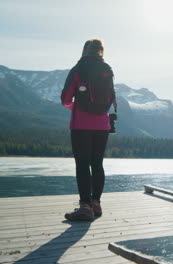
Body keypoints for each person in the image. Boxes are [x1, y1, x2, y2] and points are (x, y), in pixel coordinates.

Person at [61, 38, 116, 221]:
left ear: (85, 50)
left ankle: (85, 207)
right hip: (103, 125)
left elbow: (65, 99)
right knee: (97, 164)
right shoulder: (107, 70)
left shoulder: (78, 69)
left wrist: (76, 107)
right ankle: (96, 204)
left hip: (81, 125)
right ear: (101, 51)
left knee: (83, 165)